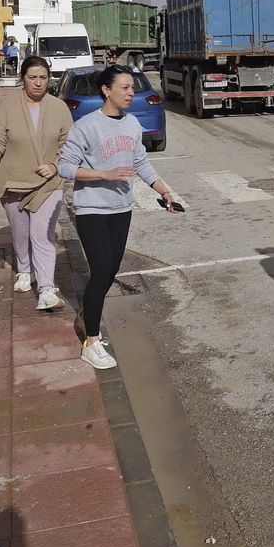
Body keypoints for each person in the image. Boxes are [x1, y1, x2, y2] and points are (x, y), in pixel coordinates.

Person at [58, 65, 181, 369]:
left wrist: (164, 191)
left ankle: (89, 312)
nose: (131, 93)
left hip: (121, 208)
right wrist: (104, 173)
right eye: (125, 87)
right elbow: (65, 167)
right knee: (100, 272)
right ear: (106, 90)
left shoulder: (132, 126)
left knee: (111, 272)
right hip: (92, 209)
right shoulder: (86, 126)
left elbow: (141, 161)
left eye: (132, 87)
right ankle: (92, 342)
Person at [0, 56, 73, 310]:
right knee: (21, 233)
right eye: (32, 77)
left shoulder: (59, 108)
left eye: (43, 77)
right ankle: (25, 270)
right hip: (12, 181)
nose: (38, 83)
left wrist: (53, 166)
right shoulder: (7, 107)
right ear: (22, 79)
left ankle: (47, 290)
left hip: (48, 183)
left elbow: (68, 145)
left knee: (42, 234)